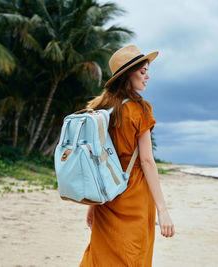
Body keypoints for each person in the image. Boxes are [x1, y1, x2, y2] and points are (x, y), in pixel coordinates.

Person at [80, 45, 175, 266]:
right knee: (134, 256)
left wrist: (93, 205)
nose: (147, 76)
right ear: (127, 75)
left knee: (102, 256)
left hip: (107, 195)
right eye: (142, 71)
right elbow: (147, 161)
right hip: (135, 196)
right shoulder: (141, 109)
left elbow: (99, 159)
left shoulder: (100, 109)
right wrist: (163, 210)